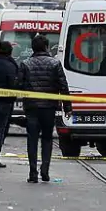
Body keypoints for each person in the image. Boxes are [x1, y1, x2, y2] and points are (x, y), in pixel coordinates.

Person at [20, 35, 72, 183]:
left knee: (32, 139)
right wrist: (67, 107)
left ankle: (32, 173)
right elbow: (63, 85)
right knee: (47, 138)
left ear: (33, 47)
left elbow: (18, 84)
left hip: (31, 107)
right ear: (47, 47)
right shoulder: (55, 64)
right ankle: (45, 170)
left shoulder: (25, 64)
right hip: (49, 107)